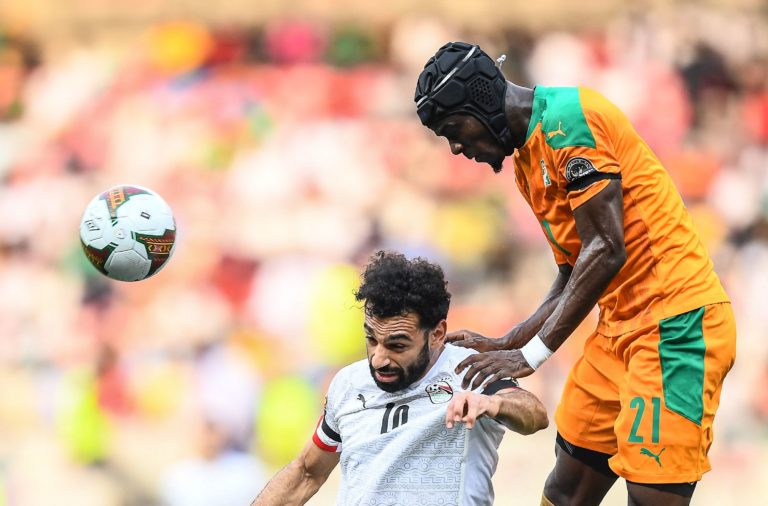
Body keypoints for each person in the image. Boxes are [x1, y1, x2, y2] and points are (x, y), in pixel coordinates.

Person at [414, 41, 736, 506]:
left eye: (453, 130)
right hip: (618, 330)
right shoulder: (527, 161)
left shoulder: (570, 122)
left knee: (649, 498)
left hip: (676, 324)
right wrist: (511, 339)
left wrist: (532, 355)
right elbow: (573, 268)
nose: (457, 147)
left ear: (480, 102)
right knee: (565, 493)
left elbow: (607, 249)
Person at [251, 250, 548, 506]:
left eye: (397, 345)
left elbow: (534, 414)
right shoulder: (348, 384)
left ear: (437, 334)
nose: (379, 358)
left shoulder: (470, 370)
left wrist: (491, 404)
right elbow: (306, 473)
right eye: (372, 339)